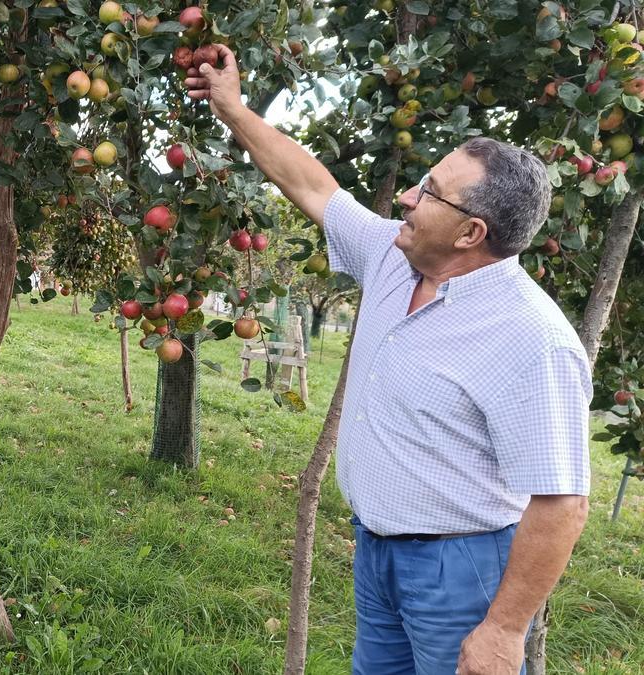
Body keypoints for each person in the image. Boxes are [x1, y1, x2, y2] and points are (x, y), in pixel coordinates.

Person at [185, 45, 591, 674]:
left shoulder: (530, 336)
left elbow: (562, 503)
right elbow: (310, 183)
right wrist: (232, 108)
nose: (405, 196)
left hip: (462, 572)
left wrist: (506, 629)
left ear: (470, 233)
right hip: (377, 551)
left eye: (429, 192)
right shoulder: (390, 255)